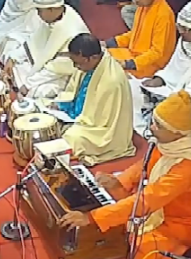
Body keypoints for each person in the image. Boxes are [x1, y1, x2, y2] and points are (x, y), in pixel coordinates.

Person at [58, 90, 191, 259]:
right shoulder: (167, 144)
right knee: (111, 201)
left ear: (176, 132)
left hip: (177, 225)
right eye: (153, 121)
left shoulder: (188, 168)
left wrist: (92, 218)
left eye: (158, 125)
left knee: (141, 246)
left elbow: (148, 200)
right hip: (154, 206)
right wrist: (118, 183)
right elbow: (142, 167)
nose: (151, 127)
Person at [57, 34, 136, 165]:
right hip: (81, 116)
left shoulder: (112, 81)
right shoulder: (88, 64)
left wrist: (76, 122)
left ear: (93, 57)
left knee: (72, 138)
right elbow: (72, 92)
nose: (76, 67)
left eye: (78, 63)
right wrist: (62, 106)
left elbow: (101, 122)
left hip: (102, 131)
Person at [3, 0, 89, 98]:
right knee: (11, 51)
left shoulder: (72, 32)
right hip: (45, 65)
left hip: (63, 75)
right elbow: (35, 41)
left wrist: (28, 85)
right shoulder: (56, 16)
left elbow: (55, 70)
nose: (38, 15)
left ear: (51, 9)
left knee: (38, 92)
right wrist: (13, 58)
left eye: (40, 11)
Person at [105, 0, 177, 79]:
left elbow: (157, 53)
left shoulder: (164, 15)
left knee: (110, 69)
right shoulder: (143, 6)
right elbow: (134, 33)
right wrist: (110, 43)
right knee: (104, 56)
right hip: (135, 56)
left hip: (150, 65)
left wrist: (129, 64)